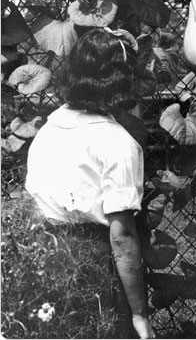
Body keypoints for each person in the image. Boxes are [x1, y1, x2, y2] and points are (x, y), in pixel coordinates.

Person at [25, 28, 155, 339]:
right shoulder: (118, 144)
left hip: (44, 260)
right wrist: (138, 313)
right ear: (124, 82)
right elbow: (121, 238)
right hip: (93, 268)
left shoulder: (50, 127)